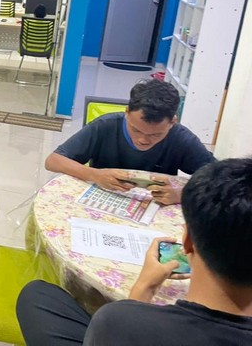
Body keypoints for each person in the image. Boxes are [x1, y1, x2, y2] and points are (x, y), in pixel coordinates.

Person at [16, 158, 252, 345]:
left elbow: (124, 324)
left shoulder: (123, 323)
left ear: (188, 242)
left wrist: (143, 287)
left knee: (37, 297)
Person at [45, 79, 214, 205]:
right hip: (103, 203)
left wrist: (183, 194)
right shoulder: (105, 126)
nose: (143, 140)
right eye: (136, 130)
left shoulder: (181, 138)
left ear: (172, 122)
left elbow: (222, 180)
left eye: (155, 135)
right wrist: (95, 175)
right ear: (127, 112)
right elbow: (53, 160)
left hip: (155, 210)